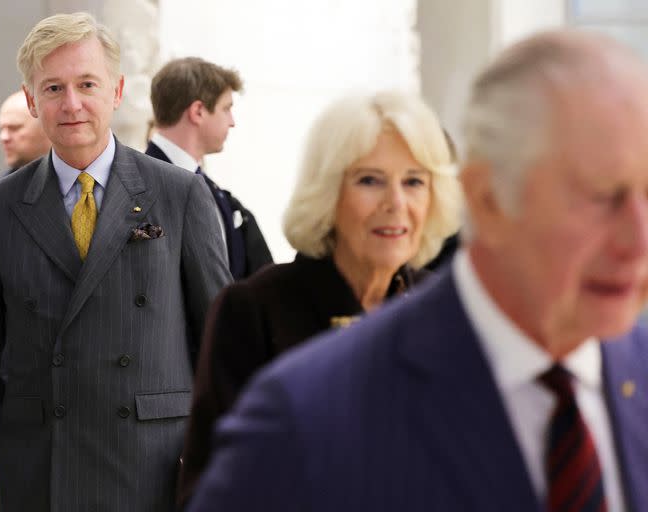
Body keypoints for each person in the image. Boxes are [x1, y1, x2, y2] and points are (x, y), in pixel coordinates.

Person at [188, 30, 648, 512]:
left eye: (414, 182)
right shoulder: (301, 408)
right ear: (487, 200)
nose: (638, 242)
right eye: (598, 196)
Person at [0, 12, 231, 512]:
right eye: (53, 88)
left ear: (115, 91)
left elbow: (223, 346)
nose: (71, 104)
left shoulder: (179, 194)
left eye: (86, 84)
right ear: (31, 100)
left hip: (153, 467)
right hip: (42, 469)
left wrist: (230, 468)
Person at [177, 89, 461, 506]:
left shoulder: (448, 314)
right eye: (370, 180)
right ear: (328, 193)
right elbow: (212, 493)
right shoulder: (254, 311)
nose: (396, 203)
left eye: (414, 181)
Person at [146, 57, 272, 280]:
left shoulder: (213, 192)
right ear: (198, 112)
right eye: (226, 108)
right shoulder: (138, 186)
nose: (232, 121)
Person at [0, 91, 51, 186]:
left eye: (14, 128)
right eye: (2, 129)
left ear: (46, 128)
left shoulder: (75, 182)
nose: (4, 137)